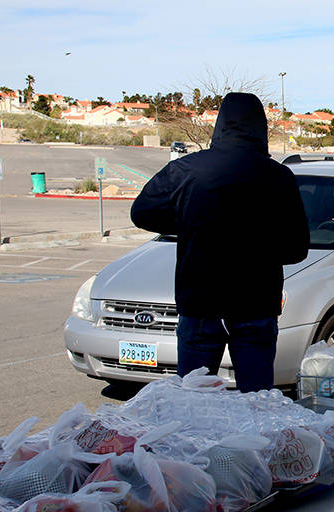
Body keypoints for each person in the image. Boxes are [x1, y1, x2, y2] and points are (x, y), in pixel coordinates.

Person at [131, 92, 308, 392]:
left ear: (220, 124)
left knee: (193, 398)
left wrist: (190, 226)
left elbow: (142, 212)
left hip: (201, 301)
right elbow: (297, 248)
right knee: (257, 401)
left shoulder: (187, 170)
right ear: (260, 128)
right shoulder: (279, 178)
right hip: (255, 302)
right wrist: (259, 247)